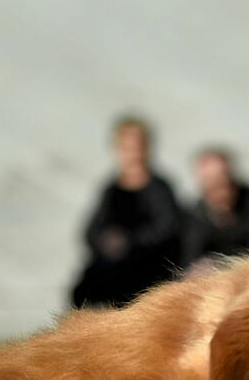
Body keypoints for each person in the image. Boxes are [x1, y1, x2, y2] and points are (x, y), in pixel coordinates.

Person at [70, 115, 183, 308]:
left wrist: (130, 242)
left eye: (137, 147)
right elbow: (90, 232)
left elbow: (167, 230)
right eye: (126, 148)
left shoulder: (160, 188)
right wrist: (106, 241)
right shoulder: (111, 189)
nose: (133, 154)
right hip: (110, 272)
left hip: (149, 273)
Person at [182, 147, 249, 267]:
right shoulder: (197, 214)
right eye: (211, 185)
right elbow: (191, 258)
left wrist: (219, 267)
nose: (219, 192)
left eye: (221, 183)